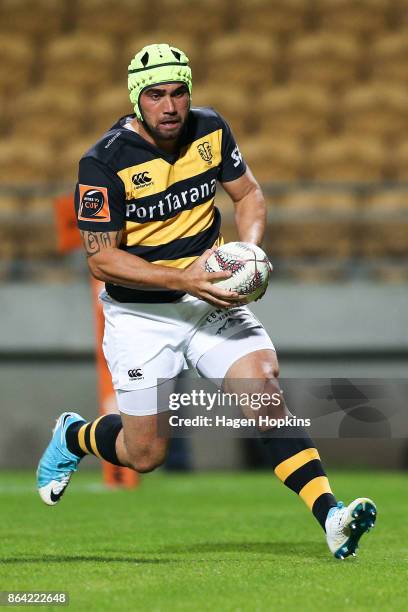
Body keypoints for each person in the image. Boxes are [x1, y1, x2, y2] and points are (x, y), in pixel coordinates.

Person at [37, 43, 376, 559]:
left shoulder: (211, 129)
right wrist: (182, 280)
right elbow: (101, 262)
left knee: (264, 391)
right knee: (145, 452)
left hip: (211, 300)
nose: (169, 107)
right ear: (136, 100)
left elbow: (249, 195)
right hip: (140, 315)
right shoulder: (102, 162)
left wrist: (249, 254)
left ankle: (330, 515)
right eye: (155, 96)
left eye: (178, 93)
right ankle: (75, 435)